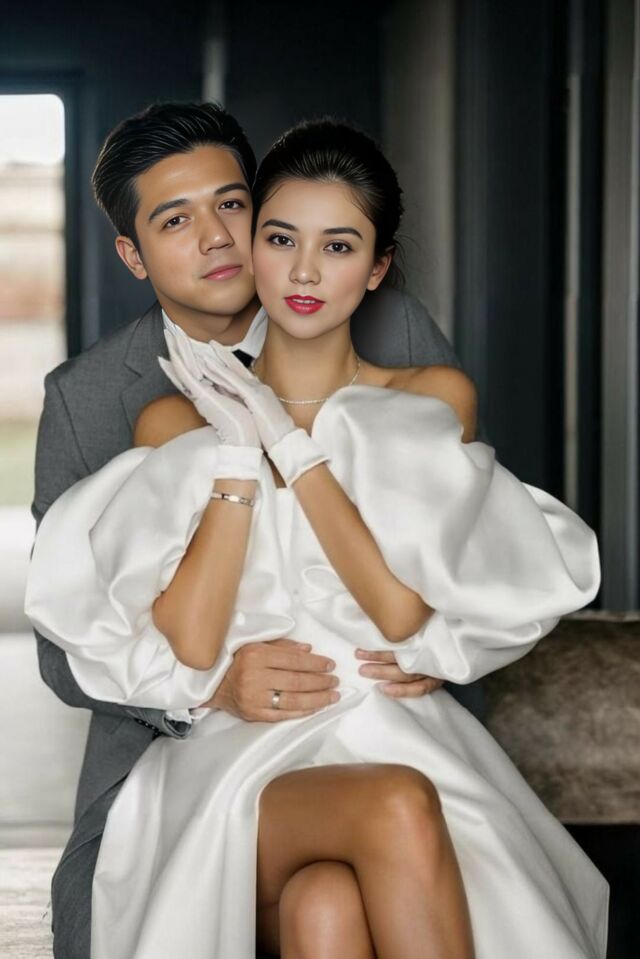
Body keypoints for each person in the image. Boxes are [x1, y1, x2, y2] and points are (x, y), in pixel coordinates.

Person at [27, 118, 608, 958]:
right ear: (133, 253)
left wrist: (441, 647)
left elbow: (445, 576)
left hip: (388, 719)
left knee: (325, 906)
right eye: (177, 219)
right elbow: (88, 639)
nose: (221, 239)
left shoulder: (411, 365)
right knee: (396, 808)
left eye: (232, 206)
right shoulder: (118, 406)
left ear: (373, 266)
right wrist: (210, 685)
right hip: (218, 747)